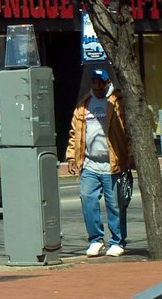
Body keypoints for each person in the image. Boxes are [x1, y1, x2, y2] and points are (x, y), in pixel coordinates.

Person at [65, 67, 133, 257]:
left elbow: (129, 131)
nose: (97, 86)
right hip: (90, 164)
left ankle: (117, 241)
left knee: (115, 205)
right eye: (94, 82)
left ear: (108, 83)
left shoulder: (118, 102)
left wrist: (130, 156)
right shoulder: (84, 104)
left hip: (113, 164)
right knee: (87, 199)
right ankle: (96, 239)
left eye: (100, 82)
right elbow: (75, 134)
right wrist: (71, 156)